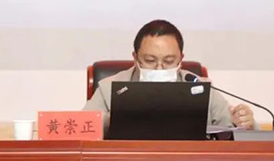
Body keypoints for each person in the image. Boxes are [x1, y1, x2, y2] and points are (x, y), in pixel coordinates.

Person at [83, 19, 256, 134]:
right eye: (150, 60)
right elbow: (81, 127)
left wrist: (243, 122)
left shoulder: (199, 87)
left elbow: (234, 131)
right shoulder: (110, 87)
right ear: (135, 58)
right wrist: (108, 122)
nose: (159, 68)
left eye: (169, 61)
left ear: (181, 59)